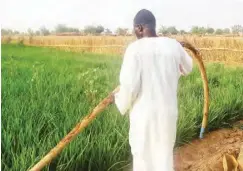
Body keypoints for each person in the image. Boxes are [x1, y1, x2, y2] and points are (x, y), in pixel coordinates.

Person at [113, 9, 193, 171]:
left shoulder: (134, 49)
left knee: (143, 158)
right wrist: (176, 58)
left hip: (144, 116)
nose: (134, 33)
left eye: (134, 29)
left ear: (140, 28)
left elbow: (129, 88)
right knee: (164, 157)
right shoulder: (173, 46)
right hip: (167, 114)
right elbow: (188, 67)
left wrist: (118, 98)